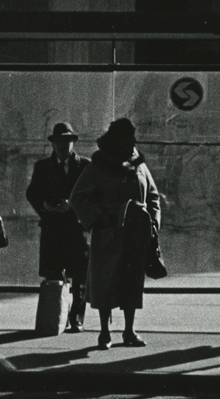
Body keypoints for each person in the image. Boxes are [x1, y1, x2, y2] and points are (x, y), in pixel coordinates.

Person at [70, 117, 161, 350]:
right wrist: (99, 218)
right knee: (105, 282)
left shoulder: (139, 163)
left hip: (135, 235)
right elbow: (78, 197)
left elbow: (153, 195)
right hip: (108, 233)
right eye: (128, 138)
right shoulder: (99, 165)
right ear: (116, 140)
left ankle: (129, 330)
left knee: (131, 283)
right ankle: (104, 332)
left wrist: (152, 223)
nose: (133, 143)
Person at [25, 122, 89, 332]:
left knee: (79, 275)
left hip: (75, 228)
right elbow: (32, 193)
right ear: (53, 144)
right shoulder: (42, 166)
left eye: (66, 142)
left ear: (73, 143)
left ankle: (76, 318)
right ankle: (54, 316)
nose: (62, 146)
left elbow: (92, 195)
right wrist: (45, 205)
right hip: (53, 228)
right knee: (53, 275)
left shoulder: (85, 166)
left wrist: (72, 205)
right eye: (59, 142)